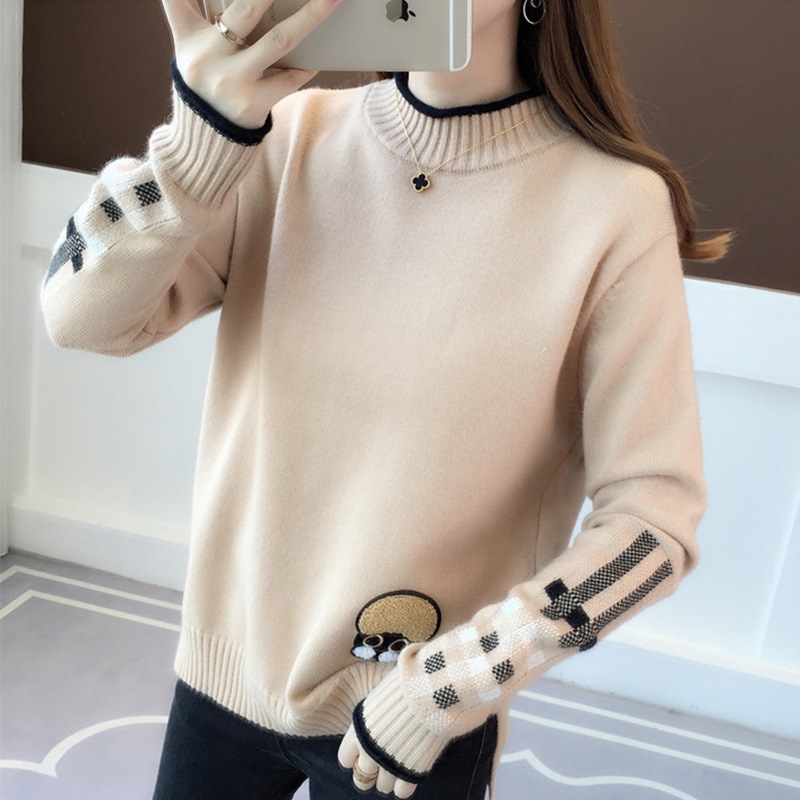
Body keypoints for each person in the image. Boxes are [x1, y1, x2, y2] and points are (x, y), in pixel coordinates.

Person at [40, 0, 734, 798]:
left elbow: (652, 524)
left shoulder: (615, 206)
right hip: (223, 681)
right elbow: (77, 318)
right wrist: (195, 151)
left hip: (409, 724)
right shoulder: (287, 137)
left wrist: (453, 684)